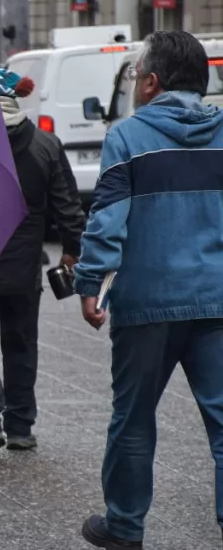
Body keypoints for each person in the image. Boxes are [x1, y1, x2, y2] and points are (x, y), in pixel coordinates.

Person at [73, 30, 223, 550]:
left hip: (146, 304)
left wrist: (90, 282)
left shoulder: (128, 137)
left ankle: (125, 527)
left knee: (133, 419)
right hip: (218, 299)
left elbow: (108, 222)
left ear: (151, 82)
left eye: (138, 72)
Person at [0, 69, 85, 457]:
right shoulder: (46, 144)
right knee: (22, 345)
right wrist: (72, 251)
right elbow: (68, 209)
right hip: (25, 267)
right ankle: (20, 427)